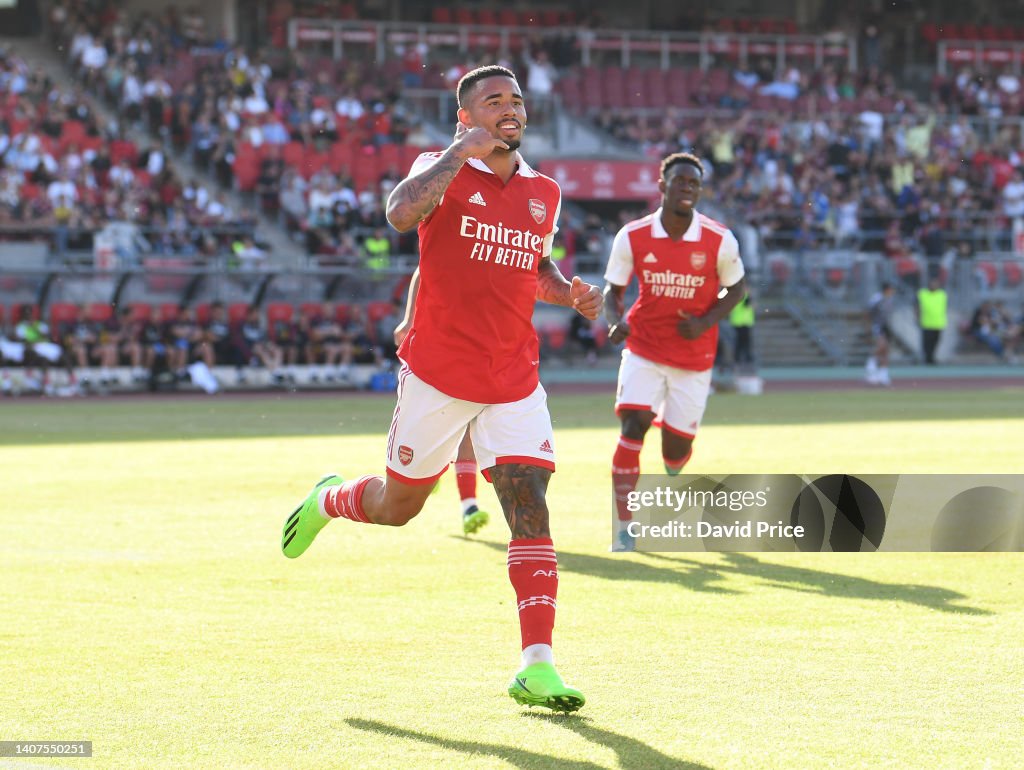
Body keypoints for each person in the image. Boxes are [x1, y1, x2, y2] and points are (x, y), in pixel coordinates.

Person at [280, 65, 599, 712]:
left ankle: (537, 665)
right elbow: (399, 216)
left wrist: (569, 293)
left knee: (529, 502)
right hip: (438, 373)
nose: (509, 108)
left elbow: (532, 265)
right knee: (399, 507)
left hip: (513, 375)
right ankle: (329, 500)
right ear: (465, 117)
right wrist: (459, 154)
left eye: (514, 99)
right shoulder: (441, 165)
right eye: (492, 101)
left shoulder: (545, 191)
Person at [603, 152, 747, 553]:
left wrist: (704, 321)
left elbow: (737, 288)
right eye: (679, 181)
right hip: (644, 347)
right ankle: (625, 529)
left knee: (675, 455)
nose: (687, 188)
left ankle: (675, 436)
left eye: (693, 183)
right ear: (663, 186)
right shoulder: (632, 235)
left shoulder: (719, 239)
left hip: (693, 357)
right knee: (633, 426)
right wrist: (614, 321)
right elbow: (612, 291)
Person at [394, 267, 491, 536]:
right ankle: (430, 469)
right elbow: (424, 267)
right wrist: (409, 319)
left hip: (476, 348)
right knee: (432, 430)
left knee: (468, 430)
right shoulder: (454, 232)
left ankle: (469, 506)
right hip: (434, 348)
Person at [865, 282, 895, 385]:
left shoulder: (890, 299)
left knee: (886, 350)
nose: (892, 292)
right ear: (886, 289)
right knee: (881, 346)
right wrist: (868, 328)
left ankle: (883, 374)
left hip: (885, 326)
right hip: (877, 325)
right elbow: (868, 313)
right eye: (891, 289)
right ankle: (871, 364)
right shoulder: (877, 299)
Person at [916, 275, 947, 365]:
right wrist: (917, 317)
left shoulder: (942, 294)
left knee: (936, 342)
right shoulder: (922, 293)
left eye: (936, 284)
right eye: (932, 284)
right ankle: (927, 358)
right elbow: (917, 306)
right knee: (926, 343)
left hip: (939, 323)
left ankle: (932, 357)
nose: (934, 285)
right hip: (926, 322)